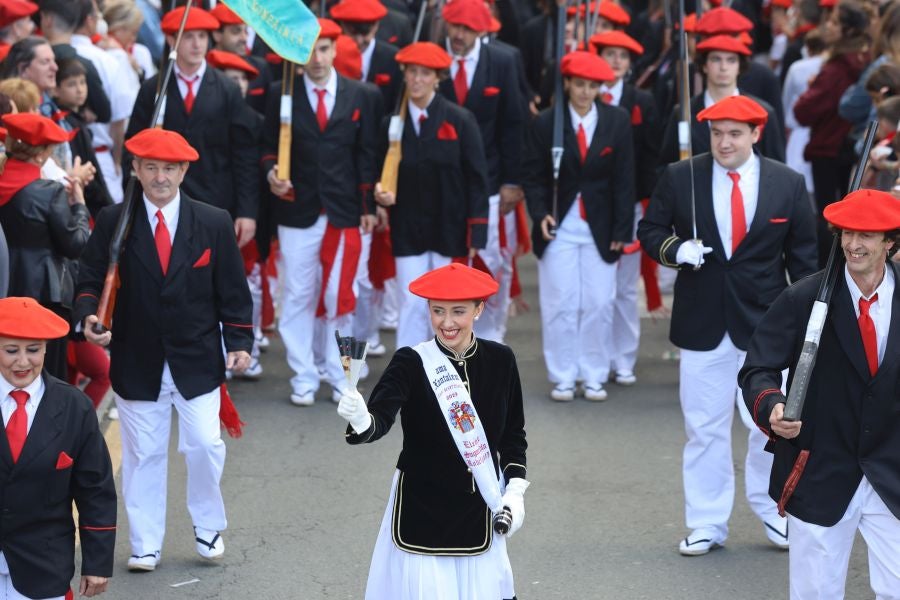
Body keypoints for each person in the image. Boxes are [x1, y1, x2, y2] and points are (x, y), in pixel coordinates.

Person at [638, 95, 818, 555]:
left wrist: (807, 326)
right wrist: (676, 250)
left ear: (756, 134)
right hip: (702, 322)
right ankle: (706, 522)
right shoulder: (682, 176)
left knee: (770, 426)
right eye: (716, 133)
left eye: (734, 133)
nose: (723, 142)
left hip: (767, 326)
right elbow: (651, 230)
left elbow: (803, 260)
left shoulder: (788, 183)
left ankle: (774, 511)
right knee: (704, 427)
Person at [74, 127, 253, 571]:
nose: (160, 177)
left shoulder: (212, 221)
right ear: (135, 169)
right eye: (150, 167)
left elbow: (233, 289)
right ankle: (145, 543)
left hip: (196, 358)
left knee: (205, 444)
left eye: (169, 168)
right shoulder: (116, 221)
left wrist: (240, 341)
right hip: (137, 359)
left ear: (184, 170)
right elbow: (89, 279)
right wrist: (89, 319)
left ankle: (208, 526)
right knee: (143, 453)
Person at [739, 189, 900, 599]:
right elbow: (757, 369)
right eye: (847, 233)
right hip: (820, 467)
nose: (853, 244)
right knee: (816, 592)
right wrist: (772, 407)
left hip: (892, 468)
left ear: (890, 242)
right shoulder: (802, 298)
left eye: (866, 235)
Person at [337, 262, 528, 600]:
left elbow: (513, 435)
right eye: (437, 311)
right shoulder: (411, 361)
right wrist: (360, 419)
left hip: (478, 507)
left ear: (479, 309)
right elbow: (379, 420)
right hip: (421, 508)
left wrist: (514, 490)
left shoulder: (501, 360)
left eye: (458, 311)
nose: (447, 322)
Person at [262, 18, 379, 406]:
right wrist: (271, 173)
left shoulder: (359, 95)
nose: (317, 58)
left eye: (324, 49)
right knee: (298, 293)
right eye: (310, 50)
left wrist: (367, 206)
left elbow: (367, 155)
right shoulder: (283, 92)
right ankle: (303, 374)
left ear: (335, 50)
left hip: (345, 212)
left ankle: (340, 374)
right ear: (297, 56)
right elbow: (265, 147)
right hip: (297, 210)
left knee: (340, 294)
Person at [522, 50, 635, 402]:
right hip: (560, 226)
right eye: (580, 85)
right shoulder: (547, 122)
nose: (586, 92)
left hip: (601, 228)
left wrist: (621, 230)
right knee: (560, 303)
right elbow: (534, 176)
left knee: (600, 302)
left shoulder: (616, 120)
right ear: (567, 84)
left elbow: (624, 179)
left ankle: (595, 373)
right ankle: (563, 374)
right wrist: (540, 213)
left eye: (593, 86)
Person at [373, 41, 489, 350]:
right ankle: (408, 372)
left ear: (437, 78)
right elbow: (377, 169)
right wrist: (378, 196)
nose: (418, 80)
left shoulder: (460, 119)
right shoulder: (391, 125)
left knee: (448, 308)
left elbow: (477, 178)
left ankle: (451, 371)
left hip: (449, 227)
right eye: (412, 72)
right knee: (411, 303)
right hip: (407, 227)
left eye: (425, 73)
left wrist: (477, 229)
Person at [0, 296, 116, 599]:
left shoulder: (74, 407)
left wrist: (98, 562)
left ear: (47, 348)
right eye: (11, 350)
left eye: (34, 350)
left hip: (44, 563)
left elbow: (95, 489)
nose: (23, 362)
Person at [125, 6, 259, 250]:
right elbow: (133, 147)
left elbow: (245, 153)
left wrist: (247, 210)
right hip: (163, 200)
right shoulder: (154, 89)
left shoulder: (227, 89)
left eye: (202, 36)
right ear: (170, 39)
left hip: (216, 199)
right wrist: (133, 203)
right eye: (188, 36)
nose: (197, 44)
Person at [439, 0, 526, 344]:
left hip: (489, 182)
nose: (459, 35)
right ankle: (445, 338)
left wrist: (512, 180)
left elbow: (514, 123)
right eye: (455, 27)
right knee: (445, 264)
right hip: (440, 184)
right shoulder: (432, 59)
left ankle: (490, 337)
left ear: (483, 31)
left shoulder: (503, 61)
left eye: (468, 29)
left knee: (490, 261)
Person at [591, 29, 662, 386]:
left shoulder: (642, 101)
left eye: (623, 56)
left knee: (624, 287)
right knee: (597, 289)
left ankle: (623, 357)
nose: (616, 61)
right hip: (592, 206)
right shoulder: (585, 97)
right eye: (609, 54)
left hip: (632, 202)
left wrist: (651, 203)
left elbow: (652, 156)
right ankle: (597, 356)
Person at [0, 112, 88, 380]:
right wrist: (80, 206)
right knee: (48, 377)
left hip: (6, 286)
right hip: (45, 293)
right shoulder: (49, 191)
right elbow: (76, 243)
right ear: (41, 154)